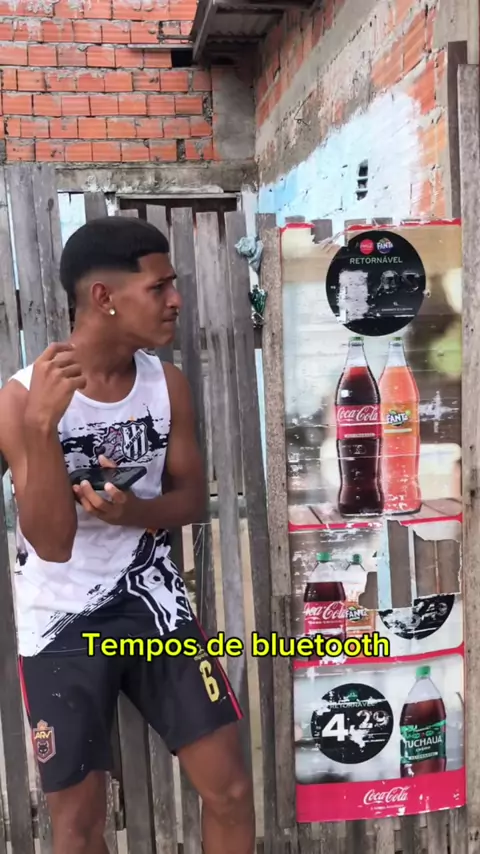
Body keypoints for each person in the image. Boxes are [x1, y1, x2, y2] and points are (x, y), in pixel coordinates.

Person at [0, 216, 255, 854]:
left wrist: (130, 513)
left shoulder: (166, 385)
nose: (176, 300)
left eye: (174, 285)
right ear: (104, 298)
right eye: (159, 287)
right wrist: (42, 428)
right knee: (79, 828)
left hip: (154, 609)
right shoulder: (22, 399)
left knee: (230, 791)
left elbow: (190, 500)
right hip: (61, 624)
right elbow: (51, 543)